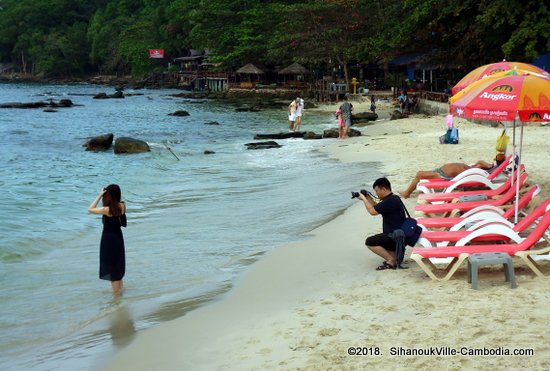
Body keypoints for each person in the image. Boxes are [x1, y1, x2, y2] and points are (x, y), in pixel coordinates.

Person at [399, 154, 506, 198]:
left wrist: (490, 165)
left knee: (419, 174)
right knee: (419, 174)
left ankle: (406, 193)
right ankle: (407, 192)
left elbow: (483, 164)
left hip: (443, 175)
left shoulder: (478, 171)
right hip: (442, 171)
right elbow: (482, 163)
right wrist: (492, 165)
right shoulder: (478, 168)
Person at [357, 177, 406, 270]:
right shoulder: (393, 198)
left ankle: (390, 260)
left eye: (377, 191)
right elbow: (376, 207)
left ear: (383, 189)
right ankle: (394, 256)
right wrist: (368, 198)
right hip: (399, 236)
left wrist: (364, 199)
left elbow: (372, 212)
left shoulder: (389, 201)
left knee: (370, 241)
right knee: (380, 239)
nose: (376, 193)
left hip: (393, 237)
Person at [88, 184, 127, 294]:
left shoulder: (107, 210)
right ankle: (121, 293)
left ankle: (117, 299)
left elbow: (90, 209)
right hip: (118, 238)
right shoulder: (122, 206)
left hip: (108, 240)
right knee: (117, 266)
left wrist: (100, 195)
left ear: (108, 195)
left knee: (111, 268)